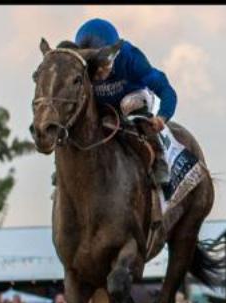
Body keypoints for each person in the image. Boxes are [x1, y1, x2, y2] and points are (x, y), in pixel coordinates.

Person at [74, 18, 177, 187]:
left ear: (115, 54)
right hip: (102, 107)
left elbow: (165, 89)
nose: (100, 71)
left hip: (134, 100)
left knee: (130, 103)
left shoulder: (131, 57)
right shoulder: (79, 69)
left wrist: (161, 117)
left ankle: (159, 159)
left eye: (104, 63)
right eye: (94, 66)